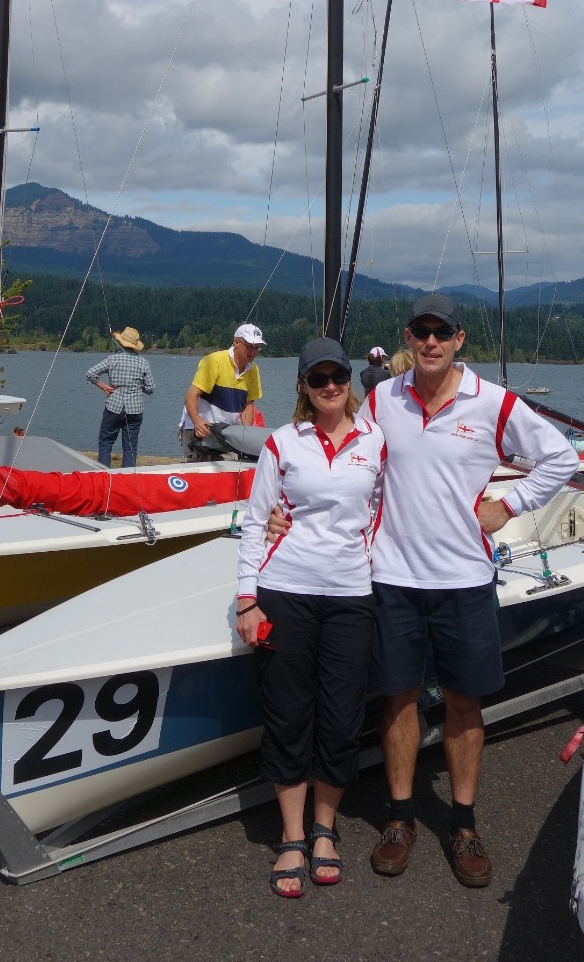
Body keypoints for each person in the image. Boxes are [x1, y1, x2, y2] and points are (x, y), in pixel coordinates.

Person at [268, 292, 578, 889]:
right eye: (421, 332)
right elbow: (335, 463)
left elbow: (560, 458)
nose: (430, 342)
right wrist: (284, 513)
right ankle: (401, 816)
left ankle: (462, 823)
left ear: (460, 339)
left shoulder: (493, 403)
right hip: (393, 578)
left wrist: (509, 503)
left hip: (464, 578)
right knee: (399, 699)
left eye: (442, 333)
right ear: (408, 339)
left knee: (465, 702)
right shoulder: (384, 398)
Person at [236, 336, 385, 899]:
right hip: (286, 591)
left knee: (342, 716)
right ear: (302, 386)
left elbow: (390, 510)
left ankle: (326, 831)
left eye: (337, 377)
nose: (329, 387)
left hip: (351, 595)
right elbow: (256, 522)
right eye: (317, 379)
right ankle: (293, 838)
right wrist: (247, 598)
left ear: (350, 380)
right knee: (288, 713)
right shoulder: (282, 442)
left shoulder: (377, 442)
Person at [179, 323, 265, 460]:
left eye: (257, 347)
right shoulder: (214, 361)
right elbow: (191, 396)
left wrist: (246, 433)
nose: (253, 352)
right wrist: (197, 421)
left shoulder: (253, 370)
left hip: (227, 432)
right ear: (237, 342)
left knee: (230, 471)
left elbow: (248, 404)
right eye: (249, 346)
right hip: (201, 429)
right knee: (202, 474)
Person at [86, 327, 155, 468]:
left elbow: (91, 373)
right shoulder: (143, 363)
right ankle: (127, 481)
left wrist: (103, 386)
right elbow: (150, 388)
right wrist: (137, 385)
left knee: (106, 443)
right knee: (130, 447)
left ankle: (103, 476)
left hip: (114, 406)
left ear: (121, 342)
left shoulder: (113, 359)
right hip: (135, 409)